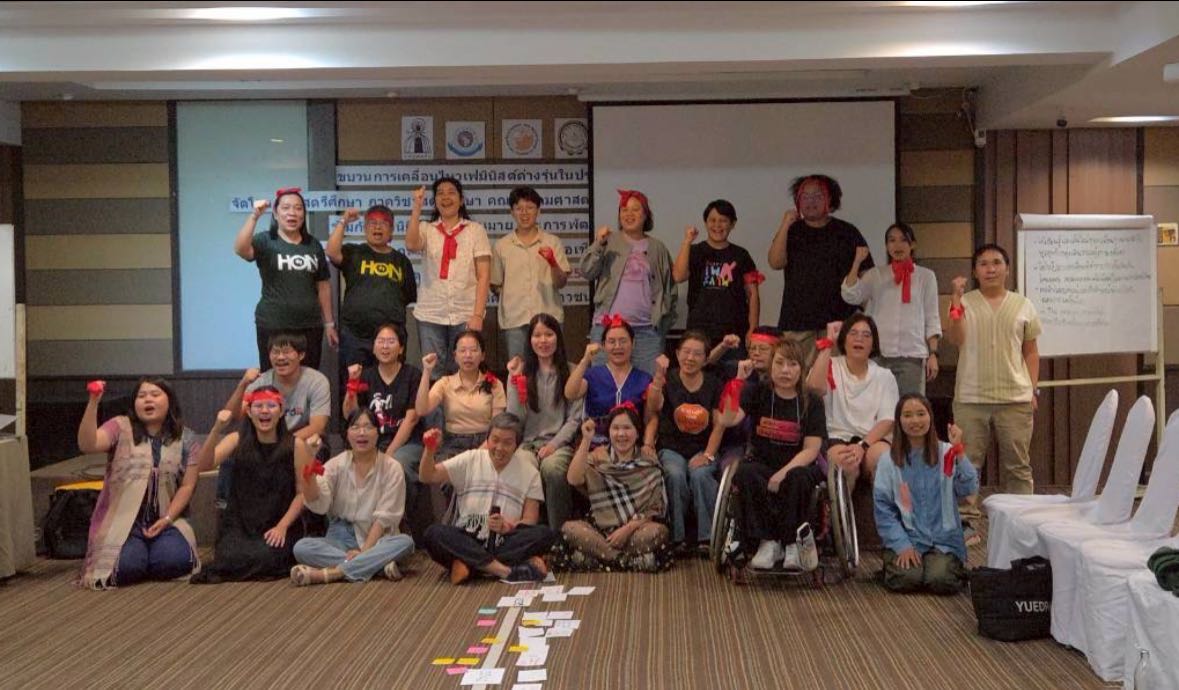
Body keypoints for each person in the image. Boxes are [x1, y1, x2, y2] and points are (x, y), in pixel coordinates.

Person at [946, 243, 1041, 524]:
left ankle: (1022, 519)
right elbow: (956, 339)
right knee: (967, 463)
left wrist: (1032, 389)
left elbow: (1031, 352)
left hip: (1015, 397)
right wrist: (955, 300)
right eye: (983, 264)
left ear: (1007, 269)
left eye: (997, 263)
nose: (991, 269)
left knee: (1018, 465)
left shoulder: (1023, 305)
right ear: (975, 271)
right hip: (971, 396)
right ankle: (966, 517)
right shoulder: (963, 302)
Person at [77, 378, 200, 588]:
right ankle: (138, 554)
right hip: (123, 521)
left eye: (155, 394)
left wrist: (168, 518)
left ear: (169, 401)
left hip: (166, 520)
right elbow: (88, 444)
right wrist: (93, 402)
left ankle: (151, 552)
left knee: (175, 561)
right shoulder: (119, 427)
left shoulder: (186, 437)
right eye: (141, 396)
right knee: (127, 567)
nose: (148, 400)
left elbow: (188, 485)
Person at [719, 338, 827, 570]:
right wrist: (737, 383)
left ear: (801, 369)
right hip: (763, 461)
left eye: (792, 364)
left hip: (799, 465)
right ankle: (768, 542)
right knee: (745, 473)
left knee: (797, 478)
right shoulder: (757, 392)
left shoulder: (812, 401)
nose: (785, 371)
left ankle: (791, 543)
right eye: (779, 363)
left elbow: (811, 449)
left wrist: (782, 473)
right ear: (771, 366)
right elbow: (729, 419)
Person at [419, 413, 558, 584]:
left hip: (504, 540)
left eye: (507, 443)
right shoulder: (471, 459)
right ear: (487, 439)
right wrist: (429, 451)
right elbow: (427, 476)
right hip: (468, 537)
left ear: (517, 445)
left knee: (545, 534)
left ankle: (469, 565)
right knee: (433, 534)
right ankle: (505, 571)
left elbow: (530, 520)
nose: (499, 448)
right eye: (495, 440)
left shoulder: (530, 472)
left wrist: (508, 526)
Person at [289, 408, 414, 585]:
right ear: (347, 434)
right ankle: (376, 566)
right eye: (355, 427)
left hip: (378, 538)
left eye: (368, 427)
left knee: (405, 543)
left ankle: (333, 573)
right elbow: (319, 504)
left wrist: (365, 550)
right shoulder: (335, 465)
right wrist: (309, 473)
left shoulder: (392, 468)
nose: (362, 433)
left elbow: (383, 519)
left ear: (377, 433)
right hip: (340, 537)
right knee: (301, 548)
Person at [191, 387, 303, 583]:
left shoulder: (296, 445)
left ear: (281, 411)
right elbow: (202, 465)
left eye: (271, 405)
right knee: (230, 558)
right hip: (241, 522)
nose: (265, 411)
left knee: (267, 557)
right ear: (249, 412)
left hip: (278, 521)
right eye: (258, 406)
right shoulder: (236, 439)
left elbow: (302, 494)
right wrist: (216, 429)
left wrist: (282, 526)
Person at [874, 395, 978, 594]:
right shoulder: (888, 461)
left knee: (941, 580)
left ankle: (936, 567)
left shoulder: (947, 452)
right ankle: (906, 565)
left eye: (921, 414)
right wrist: (902, 545)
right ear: (899, 421)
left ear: (930, 417)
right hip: (908, 537)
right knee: (906, 579)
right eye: (907, 415)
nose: (915, 421)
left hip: (943, 540)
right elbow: (884, 511)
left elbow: (968, 488)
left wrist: (959, 449)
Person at [768, 174, 873, 364]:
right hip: (797, 322)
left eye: (817, 196)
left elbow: (866, 276)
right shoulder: (792, 231)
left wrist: (869, 314)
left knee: (837, 375)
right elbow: (775, 262)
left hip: (839, 322)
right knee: (796, 373)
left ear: (830, 199)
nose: (811, 202)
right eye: (805, 197)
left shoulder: (847, 232)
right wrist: (785, 224)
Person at [220, 334, 331, 504]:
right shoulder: (261, 381)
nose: (280, 357)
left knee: (316, 448)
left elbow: (318, 425)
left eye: (286, 352)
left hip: (301, 438)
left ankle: (309, 511)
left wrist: (284, 442)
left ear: (301, 355)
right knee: (231, 458)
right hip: (264, 437)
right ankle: (224, 505)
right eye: (275, 352)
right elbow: (231, 416)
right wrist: (242, 384)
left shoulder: (316, 381)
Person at [234, 187, 336, 371]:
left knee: (308, 377)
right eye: (286, 207)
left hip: (309, 325)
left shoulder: (313, 245)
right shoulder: (266, 240)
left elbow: (323, 285)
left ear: (304, 214)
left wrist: (329, 323)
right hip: (273, 324)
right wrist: (255, 216)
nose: (292, 213)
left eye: (298, 208)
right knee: (274, 378)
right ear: (275, 213)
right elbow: (241, 249)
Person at [560, 406, 672, 572]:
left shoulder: (647, 461)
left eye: (627, 428)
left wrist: (627, 530)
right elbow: (573, 479)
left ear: (637, 433)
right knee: (569, 528)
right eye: (616, 428)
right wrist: (586, 440)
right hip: (601, 530)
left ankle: (601, 557)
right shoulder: (598, 456)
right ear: (609, 432)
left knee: (658, 532)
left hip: (635, 531)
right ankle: (624, 560)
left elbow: (653, 511)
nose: (621, 434)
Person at [342, 323, 426, 540]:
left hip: (407, 442)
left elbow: (412, 418)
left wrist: (388, 454)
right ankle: (360, 531)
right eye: (380, 341)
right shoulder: (366, 376)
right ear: (373, 347)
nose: (385, 346)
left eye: (391, 342)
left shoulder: (412, 375)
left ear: (401, 348)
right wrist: (352, 384)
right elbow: (350, 415)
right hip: (371, 442)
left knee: (398, 466)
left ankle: (401, 525)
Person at [580, 189, 677, 375]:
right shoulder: (609, 241)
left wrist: (661, 325)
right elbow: (587, 271)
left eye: (635, 209)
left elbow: (670, 291)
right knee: (602, 382)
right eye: (624, 210)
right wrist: (598, 244)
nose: (629, 214)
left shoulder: (658, 248)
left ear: (646, 215)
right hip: (607, 329)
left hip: (646, 333)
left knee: (647, 385)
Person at [645, 331, 725, 550]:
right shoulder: (668, 379)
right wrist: (658, 376)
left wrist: (708, 455)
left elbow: (719, 424)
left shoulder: (714, 383)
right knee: (675, 474)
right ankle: (677, 537)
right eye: (686, 352)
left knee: (700, 475)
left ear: (706, 358)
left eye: (697, 354)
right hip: (672, 448)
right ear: (677, 353)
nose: (690, 358)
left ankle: (707, 538)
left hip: (703, 448)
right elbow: (653, 407)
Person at [405, 177, 491, 377]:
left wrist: (478, 315)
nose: (445, 197)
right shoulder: (426, 229)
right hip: (431, 313)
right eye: (440, 193)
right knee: (432, 370)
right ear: (435, 201)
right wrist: (416, 207)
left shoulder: (475, 231)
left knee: (465, 369)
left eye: (451, 192)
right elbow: (411, 244)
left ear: (461, 200)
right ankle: (435, 400)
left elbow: (484, 275)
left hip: (465, 313)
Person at [841, 223, 941, 396]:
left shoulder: (926, 276)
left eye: (903, 240)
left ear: (913, 244)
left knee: (909, 404)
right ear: (887, 246)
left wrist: (933, 353)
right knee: (877, 404)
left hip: (911, 355)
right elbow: (851, 296)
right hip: (878, 354)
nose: (897, 245)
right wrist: (857, 262)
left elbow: (932, 317)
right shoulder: (876, 274)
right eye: (892, 240)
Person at [505, 314, 584, 530]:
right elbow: (514, 418)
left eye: (549, 334)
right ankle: (525, 532)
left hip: (559, 444)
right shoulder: (521, 372)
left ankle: (559, 532)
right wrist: (514, 381)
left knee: (552, 469)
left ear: (558, 337)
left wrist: (553, 445)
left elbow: (575, 419)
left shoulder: (573, 371)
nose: (543, 341)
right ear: (529, 340)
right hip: (528, 444)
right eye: (537, 335)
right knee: (520, 464)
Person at [807, 314, 898, 490]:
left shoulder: (884, 376)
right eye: (853, 333)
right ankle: (841, 508)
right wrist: (828, 343)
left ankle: (883, 508)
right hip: (836, 437)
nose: (859, 339)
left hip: (871, 440)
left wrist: (863, 445)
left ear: (873, 344)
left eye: (866, 335)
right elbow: (814, 388)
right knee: (846, 464)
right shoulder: (830, 365)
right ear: (844, 340)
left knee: (885, 460)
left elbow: (887, 420)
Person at [325, 204, 417, 369]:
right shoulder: (353, 251)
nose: (377, 227)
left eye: (383, 223)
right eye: (372, 223)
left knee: (391, 381)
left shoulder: (402, 261)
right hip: (355, 337)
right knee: (355, 382)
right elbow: (331, 252)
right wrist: (344, 220)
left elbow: (408, 296)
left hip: (391, 338)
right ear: (365, 228)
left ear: (391, 230)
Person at [672, 199, 761, 364]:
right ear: (705, 223)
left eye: (723, 220)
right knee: (700, 374)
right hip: (699, 333)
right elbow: (678, 276)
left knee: (734, 375)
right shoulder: (695, 251)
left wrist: (753, 330)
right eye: (712, 220)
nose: (717, 225)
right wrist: (687, 241)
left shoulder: (741, 255)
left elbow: (753, 294)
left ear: (732, 224)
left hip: (734, 333)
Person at [491, 186, 572, 361]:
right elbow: (495, 284)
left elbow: (561, 283)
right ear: (512, 212)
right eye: (519, 208)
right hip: (515, 321)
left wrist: (552, 263)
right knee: (517, 370)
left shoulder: (552, 242)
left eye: (530, 208)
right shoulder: (501, 245)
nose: (524, 213)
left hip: (549, 319)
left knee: (553, 369)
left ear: (539, 211)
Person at [415, 329, 507, 460]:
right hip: (453, 444)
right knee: (439, 470)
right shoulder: (445, 383)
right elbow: (421, 409)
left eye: (473, 350)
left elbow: (497, 428)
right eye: (462, 351)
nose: (468, 355)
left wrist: (476, 456)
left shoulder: (495, 384)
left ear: (482, 355)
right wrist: (427, 371)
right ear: (455, 356)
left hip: (486, 443)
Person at [565, 315, 653, 448]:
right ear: (603, 345)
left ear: (633, 343)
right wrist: (585, 360)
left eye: (623, 341)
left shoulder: (644, 379)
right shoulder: (592, 375)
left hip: (631, 446)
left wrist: (648, 444)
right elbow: (570, 394)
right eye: (611, 341)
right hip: (595, 445)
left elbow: (651, 417)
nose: (618, 346)